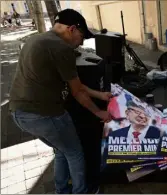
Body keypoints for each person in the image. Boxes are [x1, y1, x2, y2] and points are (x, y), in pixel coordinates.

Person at [9, 9, 111, 194]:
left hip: (19, 112)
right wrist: (100, 112)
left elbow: (75, 84)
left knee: (62, 150)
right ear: (72, 29)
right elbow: (78, 91)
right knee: (75, 153)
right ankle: (82, 191)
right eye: (82, 37)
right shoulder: (61, 48)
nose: (81, 43)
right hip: (44, 114)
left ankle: (61, 190)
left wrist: (100, 95)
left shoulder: (36, 39)